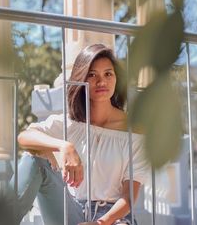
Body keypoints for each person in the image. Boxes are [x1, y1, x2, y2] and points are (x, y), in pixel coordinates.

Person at [12, 44, 150, 225]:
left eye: (108, 74)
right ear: (81, 78)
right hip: (71, 211)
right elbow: (24, 137)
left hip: (114, 218)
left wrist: (101, 223)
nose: (101, 82)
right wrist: (63, 146)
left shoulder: (134, 131)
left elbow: (128, 198)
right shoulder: (71, 123)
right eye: (92, 75)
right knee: (34, 159)